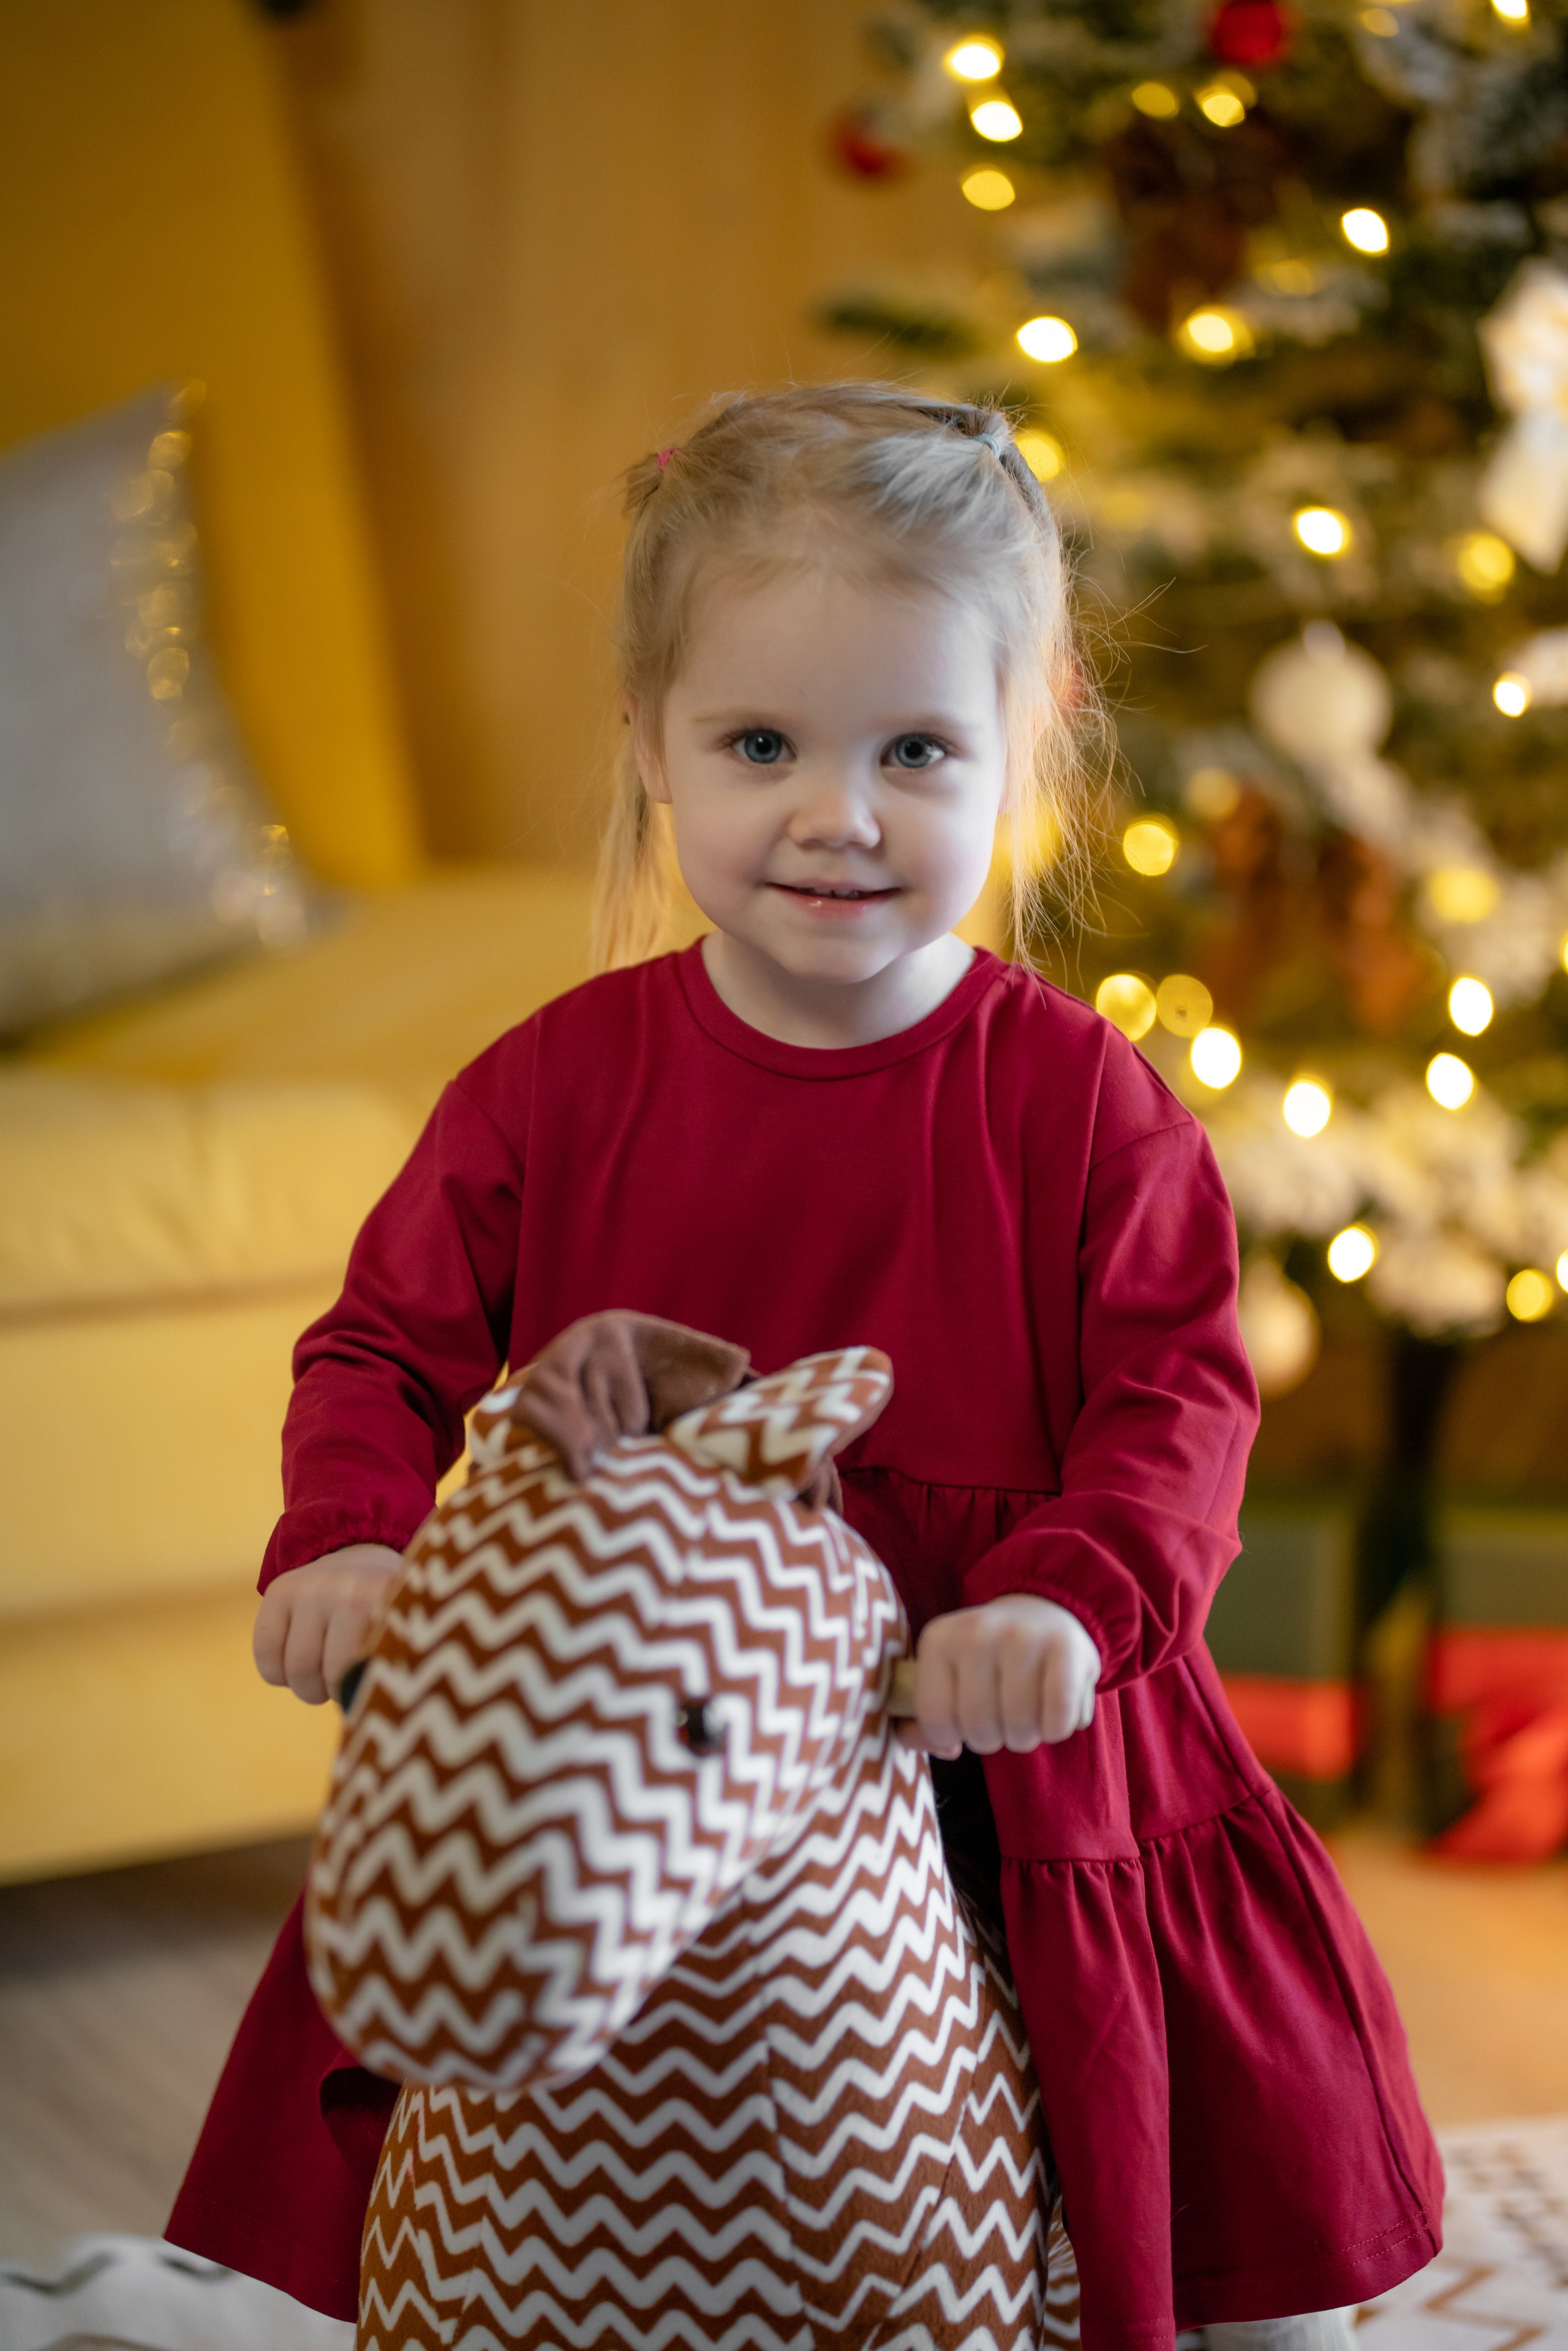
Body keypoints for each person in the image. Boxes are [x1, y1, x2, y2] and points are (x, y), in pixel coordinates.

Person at [168, 385, 1442, 2351]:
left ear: (1024, 755)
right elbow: (382, 1344)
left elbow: (1179, 1408)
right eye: (760, 743)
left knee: (1185, 2193)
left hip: (1002, 1718)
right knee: (547, 2137)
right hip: (653, 1731)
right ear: (651, 751)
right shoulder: (555, 1085)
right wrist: (348, 1538)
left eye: (916, 750)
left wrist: (1065, 1609)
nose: (835, 812)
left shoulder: (1081, 1104)